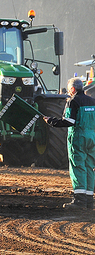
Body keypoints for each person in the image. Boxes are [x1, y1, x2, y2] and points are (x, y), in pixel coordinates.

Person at [43, 77, 95, 211]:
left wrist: (51, 121)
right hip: (92, 138)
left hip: (79, 138)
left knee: (78, 167)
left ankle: (79, 201)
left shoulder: (73, 101)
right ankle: (89, 200)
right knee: (89, 166)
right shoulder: (92, 101)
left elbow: (69, 122)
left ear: (72, 89)